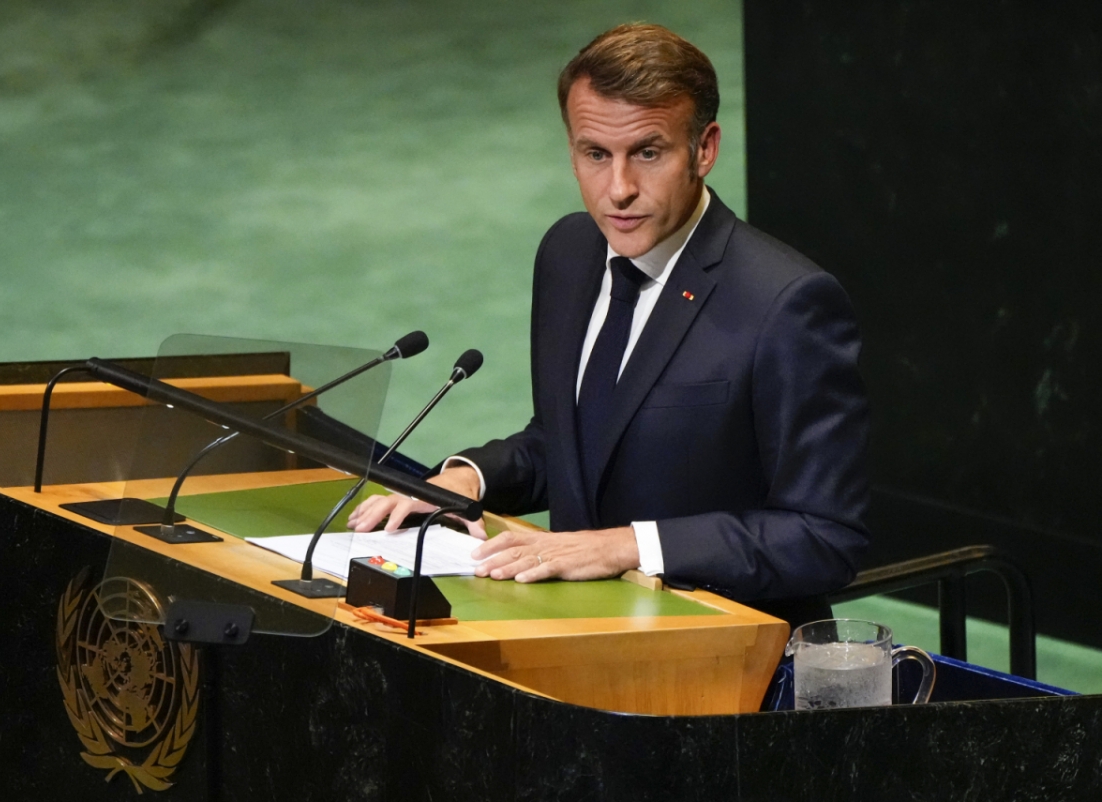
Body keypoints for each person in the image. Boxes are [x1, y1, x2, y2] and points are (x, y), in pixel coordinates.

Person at [348, 23, 870, 627]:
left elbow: (825, 536)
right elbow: (574, 444)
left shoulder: (786, 303)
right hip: (574, 631)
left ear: (704, 149)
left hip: (719, 649)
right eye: (595, 154)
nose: (618, 190)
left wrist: (628, 546)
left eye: (648, 153)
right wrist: (468, 480)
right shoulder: (569, 253)